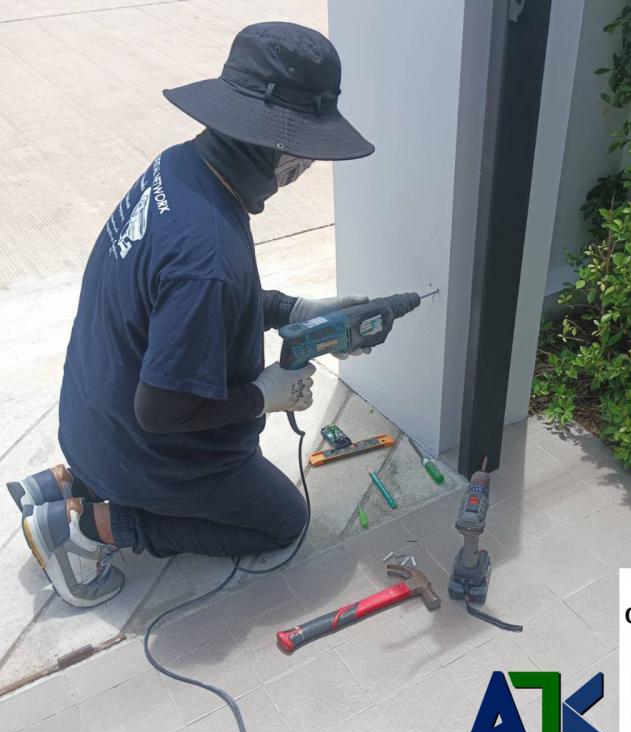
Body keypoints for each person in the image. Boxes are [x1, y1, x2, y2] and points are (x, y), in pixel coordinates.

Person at [6, 22, 374, 608]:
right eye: (303, 151)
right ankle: (83, 530)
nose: (304, 166)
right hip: (146, 444)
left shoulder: (180, 168)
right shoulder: (208, 254)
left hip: (91, 419)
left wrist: (290, 309)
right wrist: (262, 396)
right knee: (282, 521)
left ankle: (65, 482)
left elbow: (189, 302)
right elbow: (161, 412)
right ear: (274, 146)